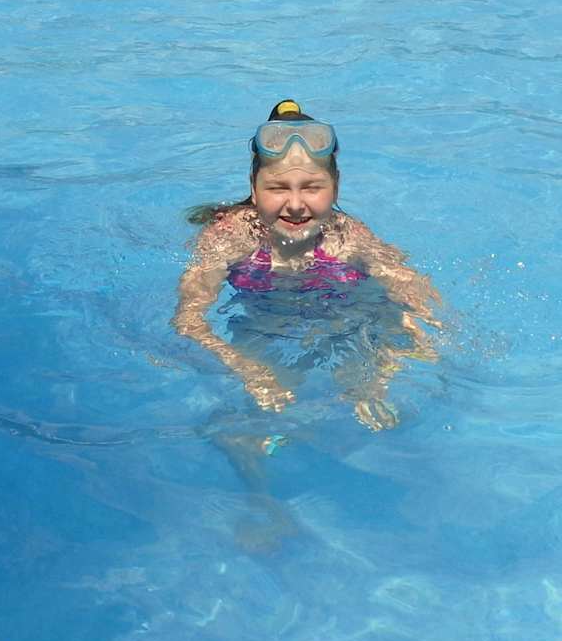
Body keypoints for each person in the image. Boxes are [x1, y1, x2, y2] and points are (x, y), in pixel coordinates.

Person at [173, 101, 444, 430]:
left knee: (375, 362)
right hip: (264, 322)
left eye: (312, 188)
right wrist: (247, 369)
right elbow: (188, 321)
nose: (296, 204)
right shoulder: (231, 238)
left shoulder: (347, 237)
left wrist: (422, 328)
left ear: (336, 186)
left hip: (343, 314)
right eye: (277, 188)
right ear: (254, 188)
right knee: (261, 413)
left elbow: (409, 286)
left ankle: (365, 391)